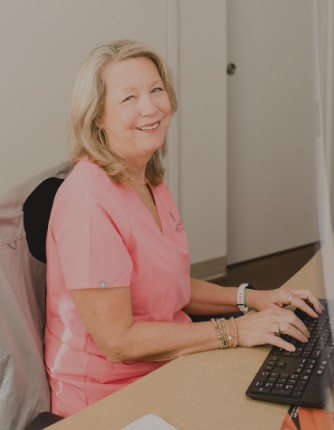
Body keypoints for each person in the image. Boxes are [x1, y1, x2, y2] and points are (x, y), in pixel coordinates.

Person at [44, 39, 323, 417]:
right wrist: (237, 330)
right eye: (129, 98)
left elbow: (167, 287)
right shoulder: (88, 202)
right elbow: (118, 342)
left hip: (170, 360)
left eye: (156, 89)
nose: (151, 107)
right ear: (97, 116)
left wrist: (253, 299)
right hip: (107, 397)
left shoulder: (148, 178)